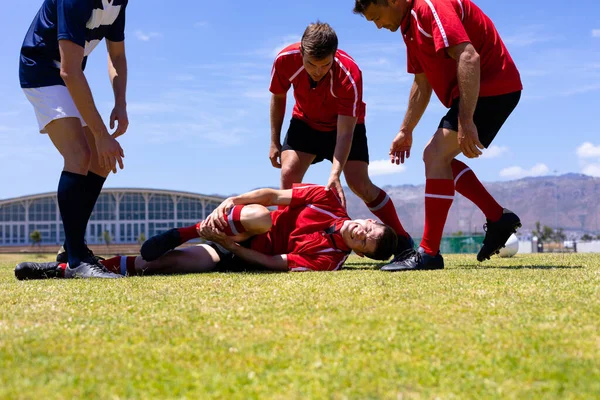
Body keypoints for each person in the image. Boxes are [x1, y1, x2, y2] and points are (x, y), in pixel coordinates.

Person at [353, 0, 523, 271]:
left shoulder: (429, 7)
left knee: (434, 155)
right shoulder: (408, 26)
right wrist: (405, 130)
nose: (378, 26)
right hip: (478, 91)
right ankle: (497, 217)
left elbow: (468, 56)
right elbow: (422, 82)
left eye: (377, 17)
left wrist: (466, 121)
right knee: (437, 159)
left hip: (493, 87)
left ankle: (429, 253)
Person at [15, 184, 399, 280]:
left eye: (363, 239)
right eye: (368, 225)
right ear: (368, 217)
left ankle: (64, 270)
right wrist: (231, 199)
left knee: (160, 264)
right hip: (246, 218)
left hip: (234, 248)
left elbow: (269, 260)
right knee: (263, 215)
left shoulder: (327, 262)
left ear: (360, 253)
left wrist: (223, 243)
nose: (360, 230)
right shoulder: (327, 199)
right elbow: (271, 194)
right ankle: (191, 228)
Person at [269, 21, 415, 255]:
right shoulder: (284, 60)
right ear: (301, 53)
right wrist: (274, 141)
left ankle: (403, 238)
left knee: (359, 184)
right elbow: (278, 98)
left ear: (334, 56)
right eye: (311, 64)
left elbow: (345, 131)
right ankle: (282, 241)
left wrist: (335, 174)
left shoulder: (350, 73)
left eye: (325, 65)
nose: (317, 71)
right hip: (305, 122)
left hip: (345, 126)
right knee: (288, 174)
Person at [19, 0, 129, 278]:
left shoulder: (119, 2)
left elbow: (116, 55)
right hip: (42, 71)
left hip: (67, 75)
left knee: (101, 162)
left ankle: (69, 253)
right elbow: (69, 70)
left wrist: (120, 103)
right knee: (79, 155)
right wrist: (102, 134)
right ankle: (79, 260)